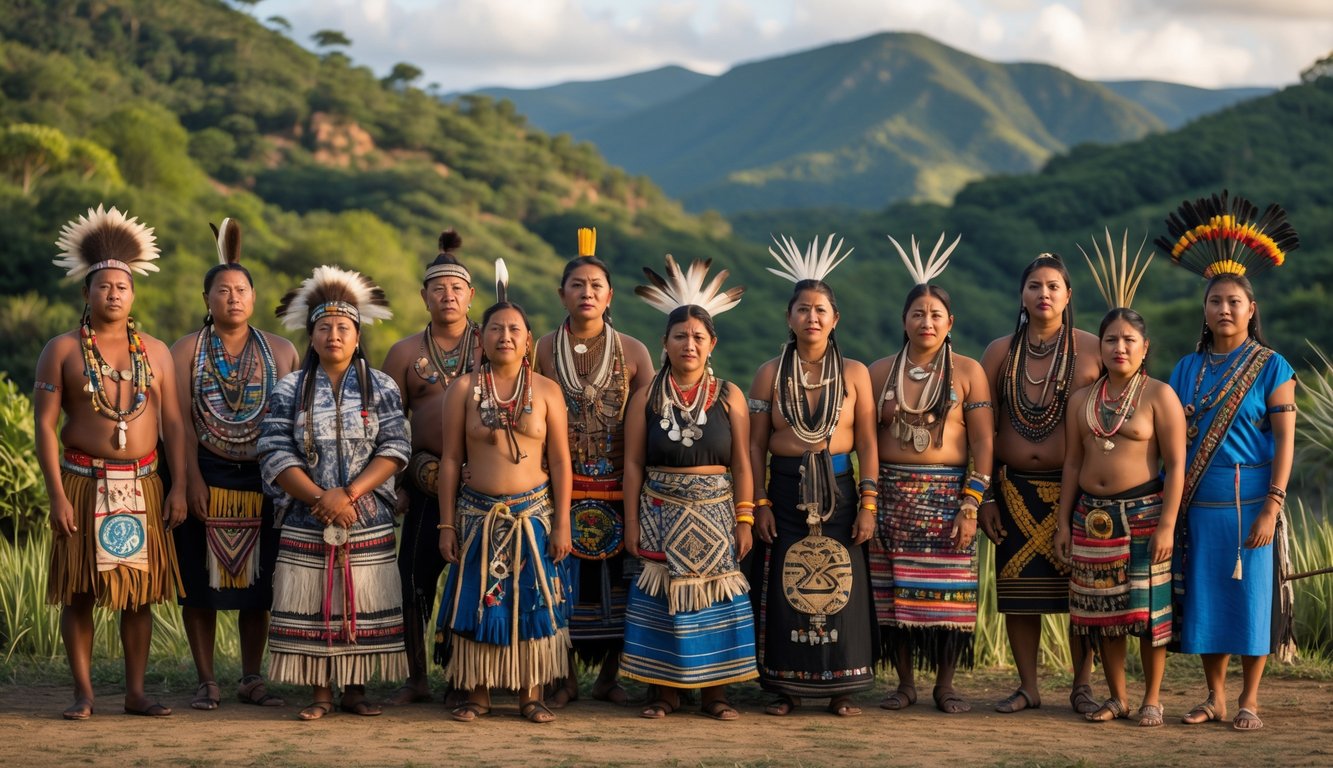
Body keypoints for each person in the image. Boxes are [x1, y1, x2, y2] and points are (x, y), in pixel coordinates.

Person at [35, 205, 187, 719]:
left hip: (142, 483)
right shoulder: (61, 350)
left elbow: (173, 426)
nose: (114, 293)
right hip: (82, 481)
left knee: (138, 594)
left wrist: (179, 486)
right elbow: (44, 427)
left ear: (133, 294)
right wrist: (57, 496)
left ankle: (135, 693)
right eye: (104, 286)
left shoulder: (157, 353)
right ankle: (84, 694)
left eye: (122, 286)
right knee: (79, 591)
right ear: (87, 293)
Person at [1155, 192, 1299, 731]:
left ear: (1251, 309)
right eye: (1215, 301)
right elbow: (1169, 440)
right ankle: (1214, 696)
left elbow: (1285, 441)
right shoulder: (1186, 369)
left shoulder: (1273, 366)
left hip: (1252, 503)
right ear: (1204, 309)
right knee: (1208, 601)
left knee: (1253, 600)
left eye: (1234, 301)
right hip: (1198, 504)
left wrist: (1272, 506)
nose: (1224, 309)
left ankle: (1249, 699)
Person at [258, 265, 410, 720]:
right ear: (311, 336)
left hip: (365, 516)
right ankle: (320, 693)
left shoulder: (380, 385)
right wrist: (318, 498)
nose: (334, 335)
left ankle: (355, 690)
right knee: (314, 602)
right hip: (308, 517)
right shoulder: (291, 388)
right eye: (324, 327)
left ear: (358, 336)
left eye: (344, 327)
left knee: (359, 601)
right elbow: (273, 449)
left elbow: (396, 446)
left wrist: (349, 493)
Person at [1053, 233, 1185, 726]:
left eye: (1129, 340)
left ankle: (1152, 697)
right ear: (1100, 347)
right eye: (1111, 339)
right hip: (1091, 516)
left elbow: (1177, 464)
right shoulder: (1082, 400)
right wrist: (1063, 523)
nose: (1120, 347)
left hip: (1145, 513)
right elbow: (1072, 464)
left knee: (1148, 612)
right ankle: (1118, 697)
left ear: (1145, 347)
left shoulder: (1159, 395)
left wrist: (1168, 524)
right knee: (1101, 613)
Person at [169, 219, 300, 711]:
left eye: (241, 290)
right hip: (207, 471)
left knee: (258, 588)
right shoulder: (186, 349)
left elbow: (292, 421)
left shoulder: (282, 350)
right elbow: (179, 421)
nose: (233, 298)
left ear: (254, 296)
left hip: (265, 479)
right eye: (222, 291)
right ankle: (207, 680)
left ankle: (251, 676)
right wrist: (189, 480)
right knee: (199, 587)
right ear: (207, 299)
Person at [620, 254, 757, 721]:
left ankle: (716, 695)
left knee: (715, 600)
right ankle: (663, 693)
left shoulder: (730, 396)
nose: (689, 344)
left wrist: (744, 517)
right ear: (665, 342)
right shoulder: (646, 397)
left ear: (712, 343)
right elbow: (633, 463)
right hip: (659, 510)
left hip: (717, 512)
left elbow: (742, 461)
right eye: (680, 336)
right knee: (661, 601)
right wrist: (632, 521)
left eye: (698, 336)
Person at [436, 259, 573, 724]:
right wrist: (447, 524)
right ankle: (478, 695)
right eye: (496, 328)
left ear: (528, 340)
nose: (505, 337)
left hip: (533, 515)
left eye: (515, 329)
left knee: (534, 603)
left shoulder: (548, 392)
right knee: (478, 604)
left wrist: (562, 522)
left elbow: (560, 462)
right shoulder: (463, 390)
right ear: (482, 338)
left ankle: (531, 695)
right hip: (478, 516)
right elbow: (450, 460)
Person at [747, 234, 878, 718]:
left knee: (842, 582)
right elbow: (755, 445)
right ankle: (786, 687)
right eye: (803, 309)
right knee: (784, 583)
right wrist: (759, 503)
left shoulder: (856, 373)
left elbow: (867, 443)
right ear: (789, 317)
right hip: (784, 491)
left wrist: (868, 504)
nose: (812, 318)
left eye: (821, 310)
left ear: (835, 318)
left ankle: (842, 687)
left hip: (841, 490)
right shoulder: (768, 374)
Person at [867, 233, 993, 714]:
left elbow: (983, 443)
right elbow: (864, 440)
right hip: (891, 497)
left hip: (948, 500)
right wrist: (869, 500)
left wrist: (971, 505)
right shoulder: (879, 372)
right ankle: (904, 684)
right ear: (904, 321)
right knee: (893, 597)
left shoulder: (968, 371)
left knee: (949, 598)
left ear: (950, 322)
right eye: (917, 314)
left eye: (936, 314)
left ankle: (946, 685)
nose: (926, 322)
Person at [534, 228, 654, 708]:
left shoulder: (634, 352)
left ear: (609, 296)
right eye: (577, 285)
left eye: (596, 286)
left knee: (622, 586)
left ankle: (609, 677)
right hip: (557, 486)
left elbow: (650, 422)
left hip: (620, 486)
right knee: (559, 583)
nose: (587, 293)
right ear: (561, 293)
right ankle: (563, 678)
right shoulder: (540, 349)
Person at [977, 251, 1101, 714]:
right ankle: (1028, 686)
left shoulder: (1094, 348)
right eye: (1034, 286)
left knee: (1082, 594)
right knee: (1019, 597)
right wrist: (985, 494)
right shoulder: (999, 352)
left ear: (1068, 295)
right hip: (1012, 489)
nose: (1043, 294)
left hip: (1079, 490)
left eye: (1053, 286)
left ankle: (1082, 686)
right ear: (1021, 295)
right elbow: (982, 429)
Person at [379, 229, 480, 706]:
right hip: (424, 481)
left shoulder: (497, 343)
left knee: (474, 582)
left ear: (471, 295)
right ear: (424, 296)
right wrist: (396, 484)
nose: (448, 296)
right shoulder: (404, 353)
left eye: (456, 288)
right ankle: (416, 677)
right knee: (413, 581)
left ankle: (466, 677)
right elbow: (386, 425)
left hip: (484, 485)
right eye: (438, 288)